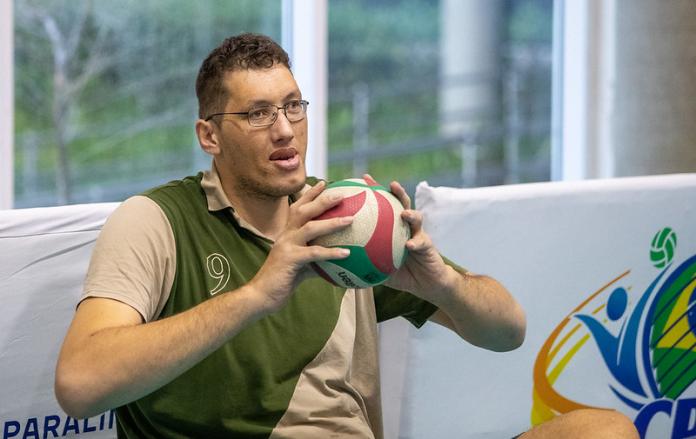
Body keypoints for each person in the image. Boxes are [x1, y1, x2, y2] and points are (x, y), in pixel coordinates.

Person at [54, 33, 638, 439]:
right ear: (209, 135)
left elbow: (508, 330)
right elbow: (80, 385)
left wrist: (441, 281)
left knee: (605, 429)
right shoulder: (157, 219)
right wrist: (258, 295)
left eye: (293, 106)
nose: (284, 130)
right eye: (257, 114)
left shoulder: (344, 215)